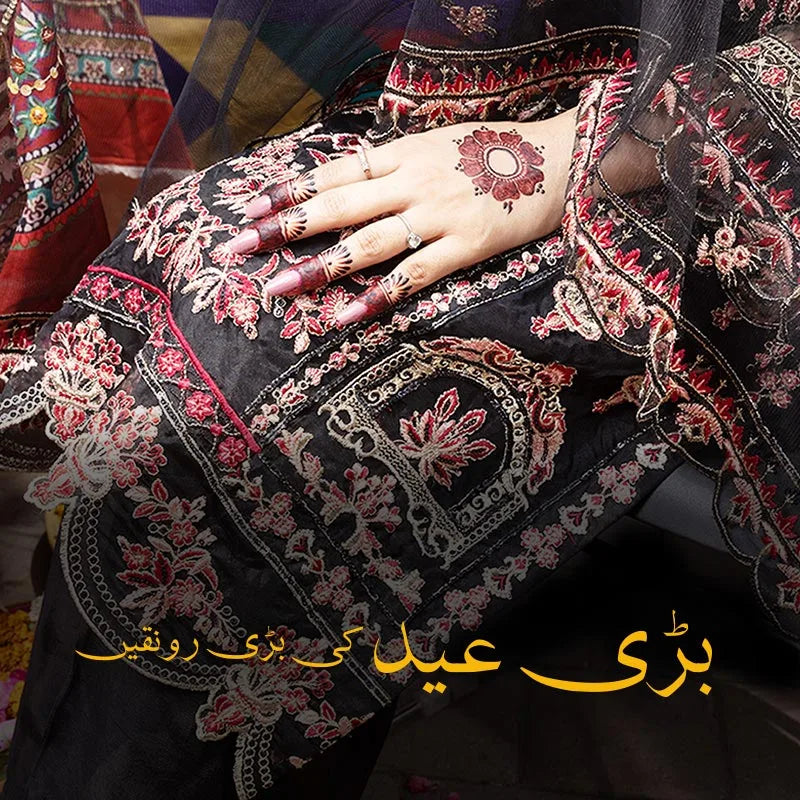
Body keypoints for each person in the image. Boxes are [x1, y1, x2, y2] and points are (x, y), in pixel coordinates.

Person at [2, 0, 800, 797]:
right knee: (208, 242)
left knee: (260, 422)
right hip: (559, 78)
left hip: (728, 175)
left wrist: (565, 155)